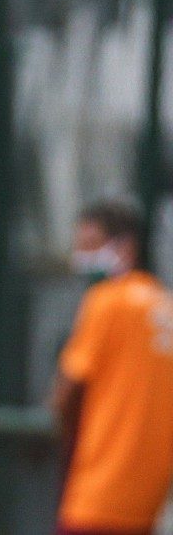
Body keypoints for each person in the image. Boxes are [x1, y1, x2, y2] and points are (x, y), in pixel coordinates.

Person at [50, 201, 173, 535]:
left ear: (126, 247)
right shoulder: (164, 305)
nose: (80, 257)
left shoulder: (106, 301)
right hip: (147, 498)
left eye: (90, 246)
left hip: (97, 491)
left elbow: (66, 392)